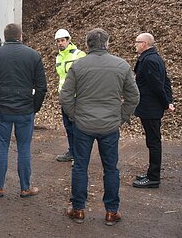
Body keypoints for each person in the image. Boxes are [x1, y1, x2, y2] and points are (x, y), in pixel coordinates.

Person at [60, 28, 140, 226]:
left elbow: (65, 96)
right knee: (111, 168)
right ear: (107, 43)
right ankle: (111, 212)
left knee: (80, 166)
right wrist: (121, 117)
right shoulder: (121, 65)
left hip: (83, 125)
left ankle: (78, 209)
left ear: (87, 45)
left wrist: (74, 116)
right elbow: (134, 96)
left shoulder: (78, 66)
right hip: (109, 126)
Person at [0, 23, 47, 198]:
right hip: (25, 109)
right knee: (24, 148)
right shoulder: (33, 55)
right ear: (20, 35)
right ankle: (25, 187)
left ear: (5, 37)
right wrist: (35, 107)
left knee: (1, 147)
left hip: (1, 109)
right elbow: (41, 87)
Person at [132, 33, 174, 188]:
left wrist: (165, 103)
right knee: (152, 141)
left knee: (153, 142)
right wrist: (168, 101)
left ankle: (153, 177)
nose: (135, 45)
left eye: (137, 42)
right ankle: (151, 174)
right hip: (151, 107)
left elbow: (158, 85)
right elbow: (166, 81)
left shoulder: (149, 60)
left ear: (144, 44)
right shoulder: (154, 58)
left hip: (150, 108)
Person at [54, 29, 86, 163]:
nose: (60, 43)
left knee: (77, 127)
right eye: (58, 41)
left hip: (76, 97)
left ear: (68, 40)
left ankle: (79, 155)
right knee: (68, 126)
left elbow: (85, 76)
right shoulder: (59, 57)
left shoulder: (79, 55)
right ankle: (72, 152)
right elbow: (62, 77)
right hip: (65, 97)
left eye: (62, 40)